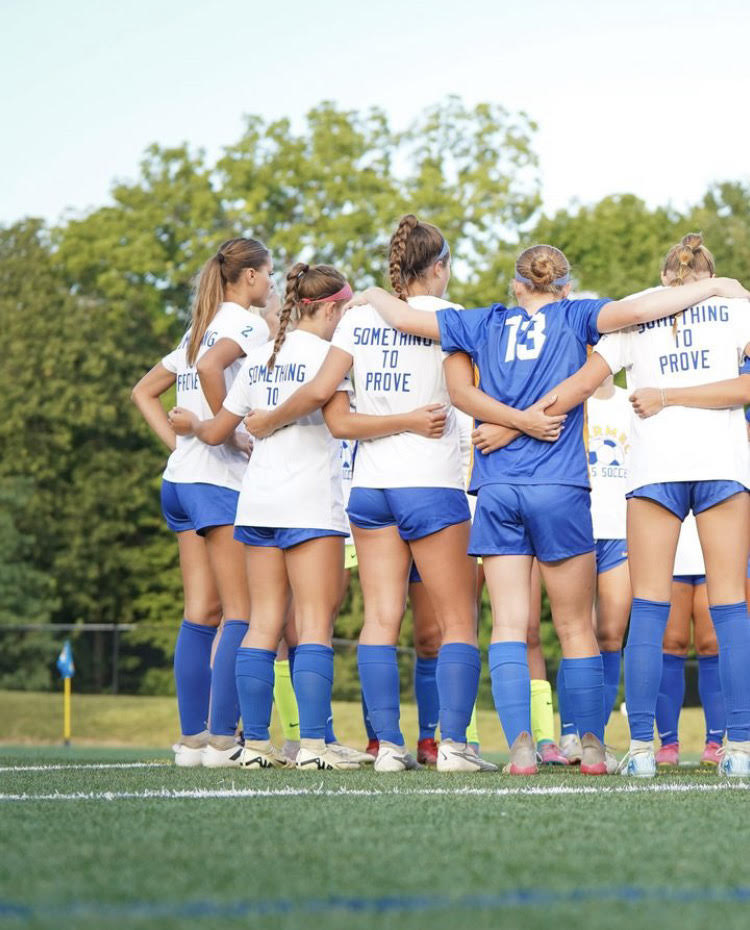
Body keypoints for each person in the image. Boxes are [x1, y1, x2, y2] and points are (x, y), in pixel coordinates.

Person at [345, 242, 748, 776]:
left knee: (512, 625)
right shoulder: (581, 313)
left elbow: (408, 324)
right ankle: (607, 748)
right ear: (565, 287)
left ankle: (525, 750)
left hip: (499, 485)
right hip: (562, 487)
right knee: (583, 626)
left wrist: (371, 292)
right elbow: (631, 318)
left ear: (516, 285)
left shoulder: (485, 322)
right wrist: (719, 287)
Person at [245, 216, 499, 774]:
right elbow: (472, 396)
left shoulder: (356, 319)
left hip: (370, 490)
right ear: (439, 268)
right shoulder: (450, 318)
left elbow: (333, 416)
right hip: (431, 484)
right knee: (458, 622)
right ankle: (453, 746)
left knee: (381, 618)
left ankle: (386, 746)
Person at [170, 262, 447, 770]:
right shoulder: (332, 355)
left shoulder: (257, 359)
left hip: (255, 502)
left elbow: (217, 433)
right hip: (310, 504)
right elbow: (336, 413)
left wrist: (191, 424)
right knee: (314, 625)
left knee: (262, 624)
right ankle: (315, 748)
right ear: (335, 309)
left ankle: (253, 745)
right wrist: (408, 418)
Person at [583, 234, 750, 776]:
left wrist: (523, 416)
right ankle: (741, 751)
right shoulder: (734, 307)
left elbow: (581, 381)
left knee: (649, 611)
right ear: (710, 275)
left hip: (654, 472)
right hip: (722, 469)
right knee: (730, 608)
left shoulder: (635, 311)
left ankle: (640, 752)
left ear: (664, 278)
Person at [131, 237, 274, 766]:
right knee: (244, 610)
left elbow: (144, 392)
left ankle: (192, 740)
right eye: (270, 275)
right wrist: (225, 432)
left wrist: (181, 447)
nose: (274, 284)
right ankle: (221, 739)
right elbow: (213, 371)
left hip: (182, 481)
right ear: (251, 278)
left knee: (200, 613)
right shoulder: (246, 324)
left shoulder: (200, 325)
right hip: (218, 483)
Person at [557, 374, 631, 764]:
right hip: (575, 529)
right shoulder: (570, 400)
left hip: (621, 531)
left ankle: (595, 737)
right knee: (577, 631)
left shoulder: (630, 401)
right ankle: (569, 733)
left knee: (610, 635)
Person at [654, 514, 725, 769]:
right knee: (672, 644)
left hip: (717, 552)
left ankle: (715, 743)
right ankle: (668, 744)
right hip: (669, 555)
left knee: (712, 645)